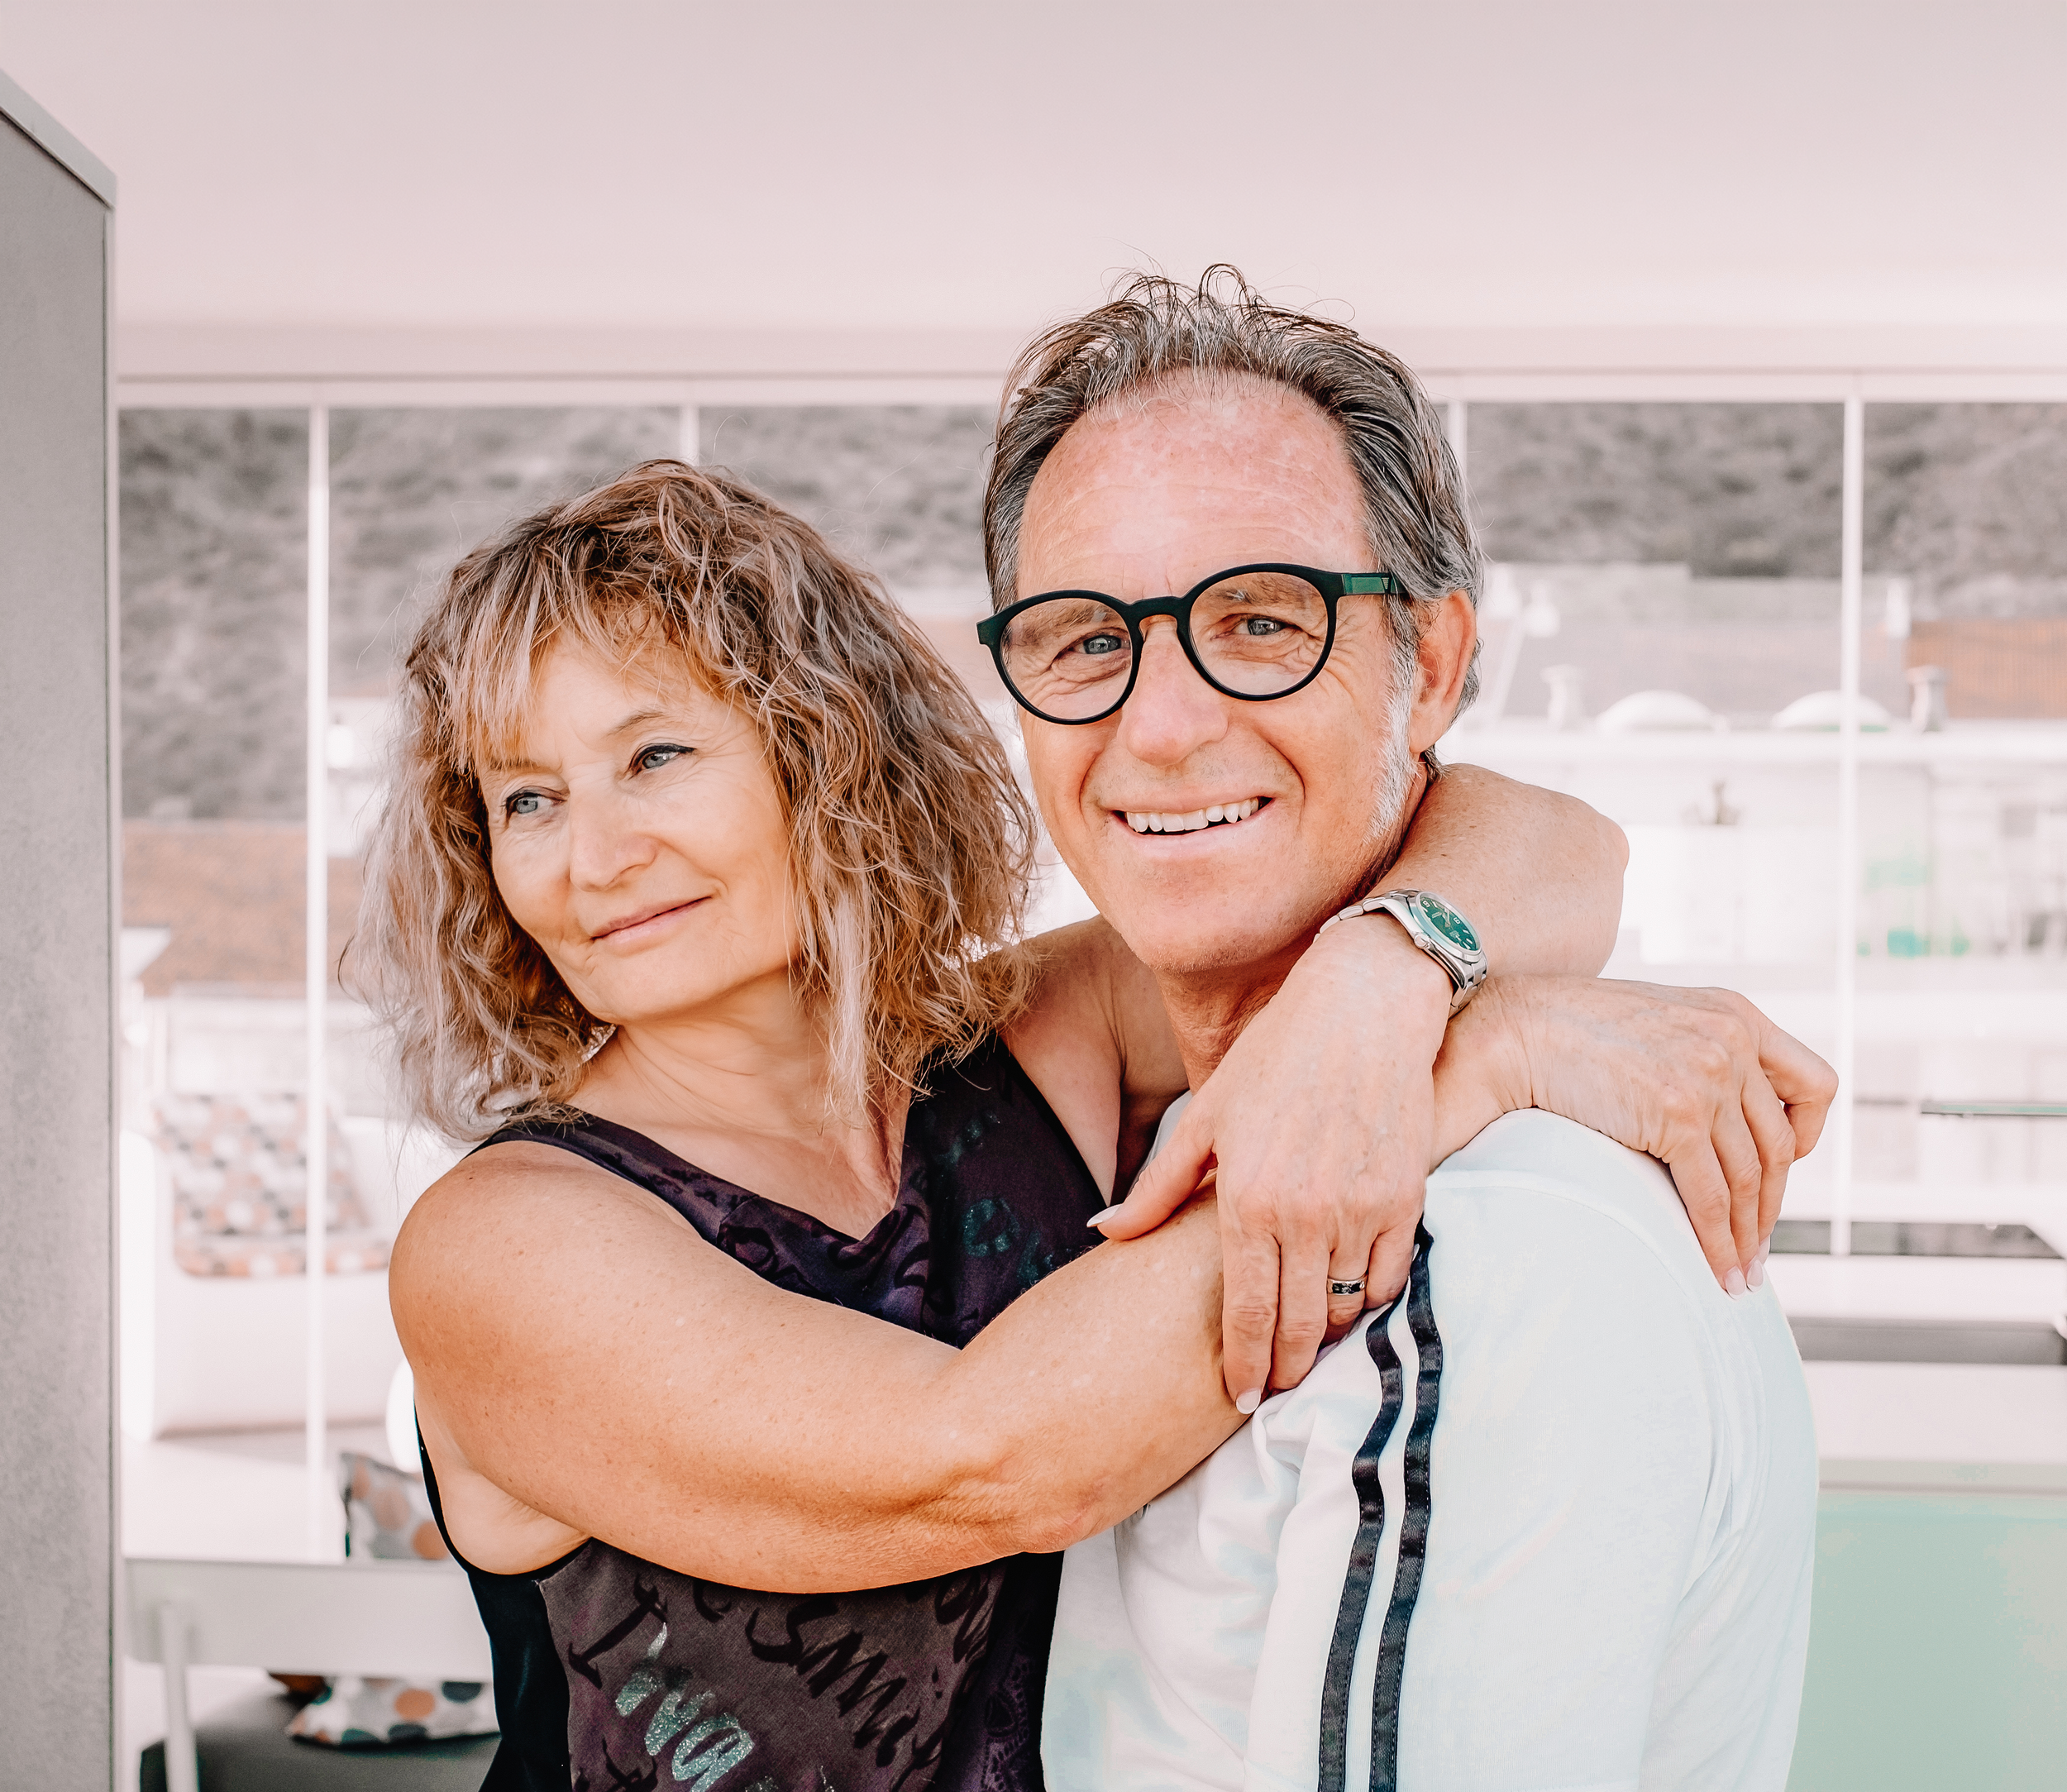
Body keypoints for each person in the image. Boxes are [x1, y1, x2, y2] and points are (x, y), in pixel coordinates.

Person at [367, 453, 1821, 1792]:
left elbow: (1557, 846)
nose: (597, 857)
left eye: (656, 758)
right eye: (528, 799)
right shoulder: (501, 1244)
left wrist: (1382, 980)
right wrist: (1473, 1053)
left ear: (819, 747)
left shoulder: (1019, 1039)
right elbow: (994, 1457)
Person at [971, 271, 1826, 1790]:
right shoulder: (1076, 1101)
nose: (1160, 725)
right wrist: (1425, 996)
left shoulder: (1494, 1258)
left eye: (1260, 621)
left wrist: (1430, 1014)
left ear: (1426, 668)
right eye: (1086, 638)